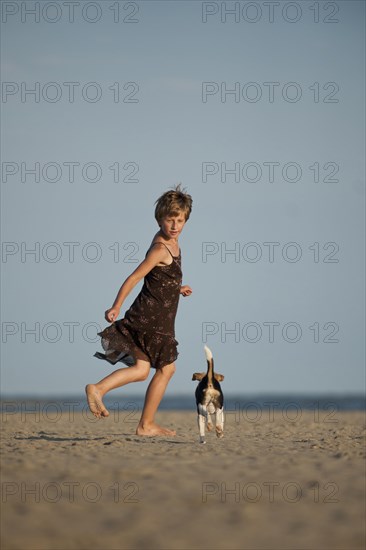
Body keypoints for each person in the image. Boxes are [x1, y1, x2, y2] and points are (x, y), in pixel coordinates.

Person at [86, 184, 193, 436]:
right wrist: (116, 305)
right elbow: (135, 278)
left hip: (156, 318)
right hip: (150, 320)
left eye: (180, 220)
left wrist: (176, 287)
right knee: (167, 369)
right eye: (170, 220)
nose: (175, 225)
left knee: (142, 370)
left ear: (186, 220)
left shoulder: (172, 244)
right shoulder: (160, 248)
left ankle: (98, 389)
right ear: (160, 219)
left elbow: (160, 278)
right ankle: (145, 424)